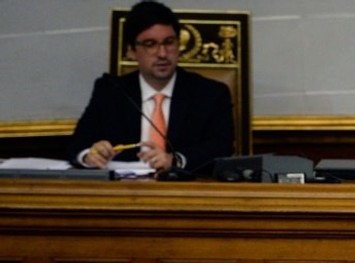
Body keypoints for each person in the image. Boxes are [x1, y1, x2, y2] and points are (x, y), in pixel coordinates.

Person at [67, 0, 234, 175]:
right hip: (122, 193)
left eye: (169, 42)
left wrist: (175, 160)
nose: (162, 53)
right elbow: (77, 146)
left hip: (185, 193)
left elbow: (220, 149)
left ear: (179, 45)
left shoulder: (211, 94)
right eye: (150, 44)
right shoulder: (111, 91)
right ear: (131, 51)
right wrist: (89, 156)